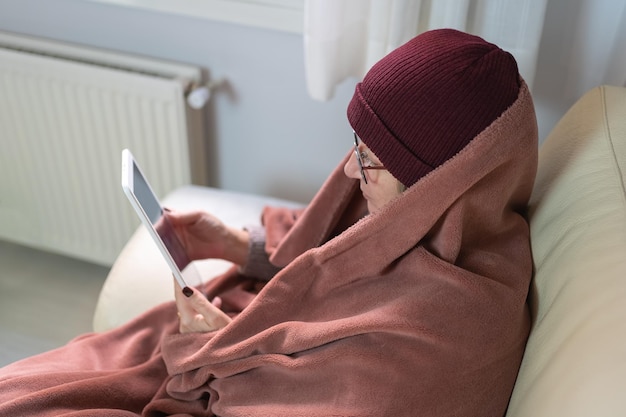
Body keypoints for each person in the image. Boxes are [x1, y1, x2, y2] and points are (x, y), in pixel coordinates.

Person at [0, 29, 538, 416]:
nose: (351, 170)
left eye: (372, 158)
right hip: (222, 345)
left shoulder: (452, 329)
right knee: (23, 387)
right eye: (356, 143)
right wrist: (236, 244)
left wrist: (210, 345)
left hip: (219, 381)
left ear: (444, 184)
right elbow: (334, 251)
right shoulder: (431, 215)